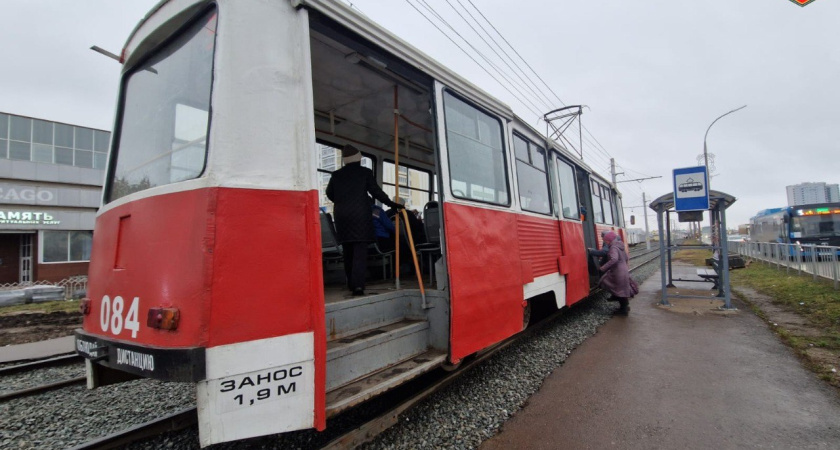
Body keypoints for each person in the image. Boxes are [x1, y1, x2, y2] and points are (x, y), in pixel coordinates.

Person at [326, 144, 403, 296]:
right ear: (358, 158)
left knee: (348, 251)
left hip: (342, 216)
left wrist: (343, 201)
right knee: (360, 251)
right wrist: (393, 204)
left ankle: (350, 284)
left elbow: (330, 194)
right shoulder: (364, 172)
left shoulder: (336, 175)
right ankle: (358, 286)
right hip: (360, 216)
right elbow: (376, 192)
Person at [598, 231, 639, 316]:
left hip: (618, 272)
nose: (605, 242)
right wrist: (623, 265)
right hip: (623, 270)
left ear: (609, 240)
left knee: (608, 284)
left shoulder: (613, 247)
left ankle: (623, 311)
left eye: (606, 240)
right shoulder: (620, 246)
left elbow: (614, 259)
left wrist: (603, 268)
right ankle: (624, 307)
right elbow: (626, 258)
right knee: (622, 290)